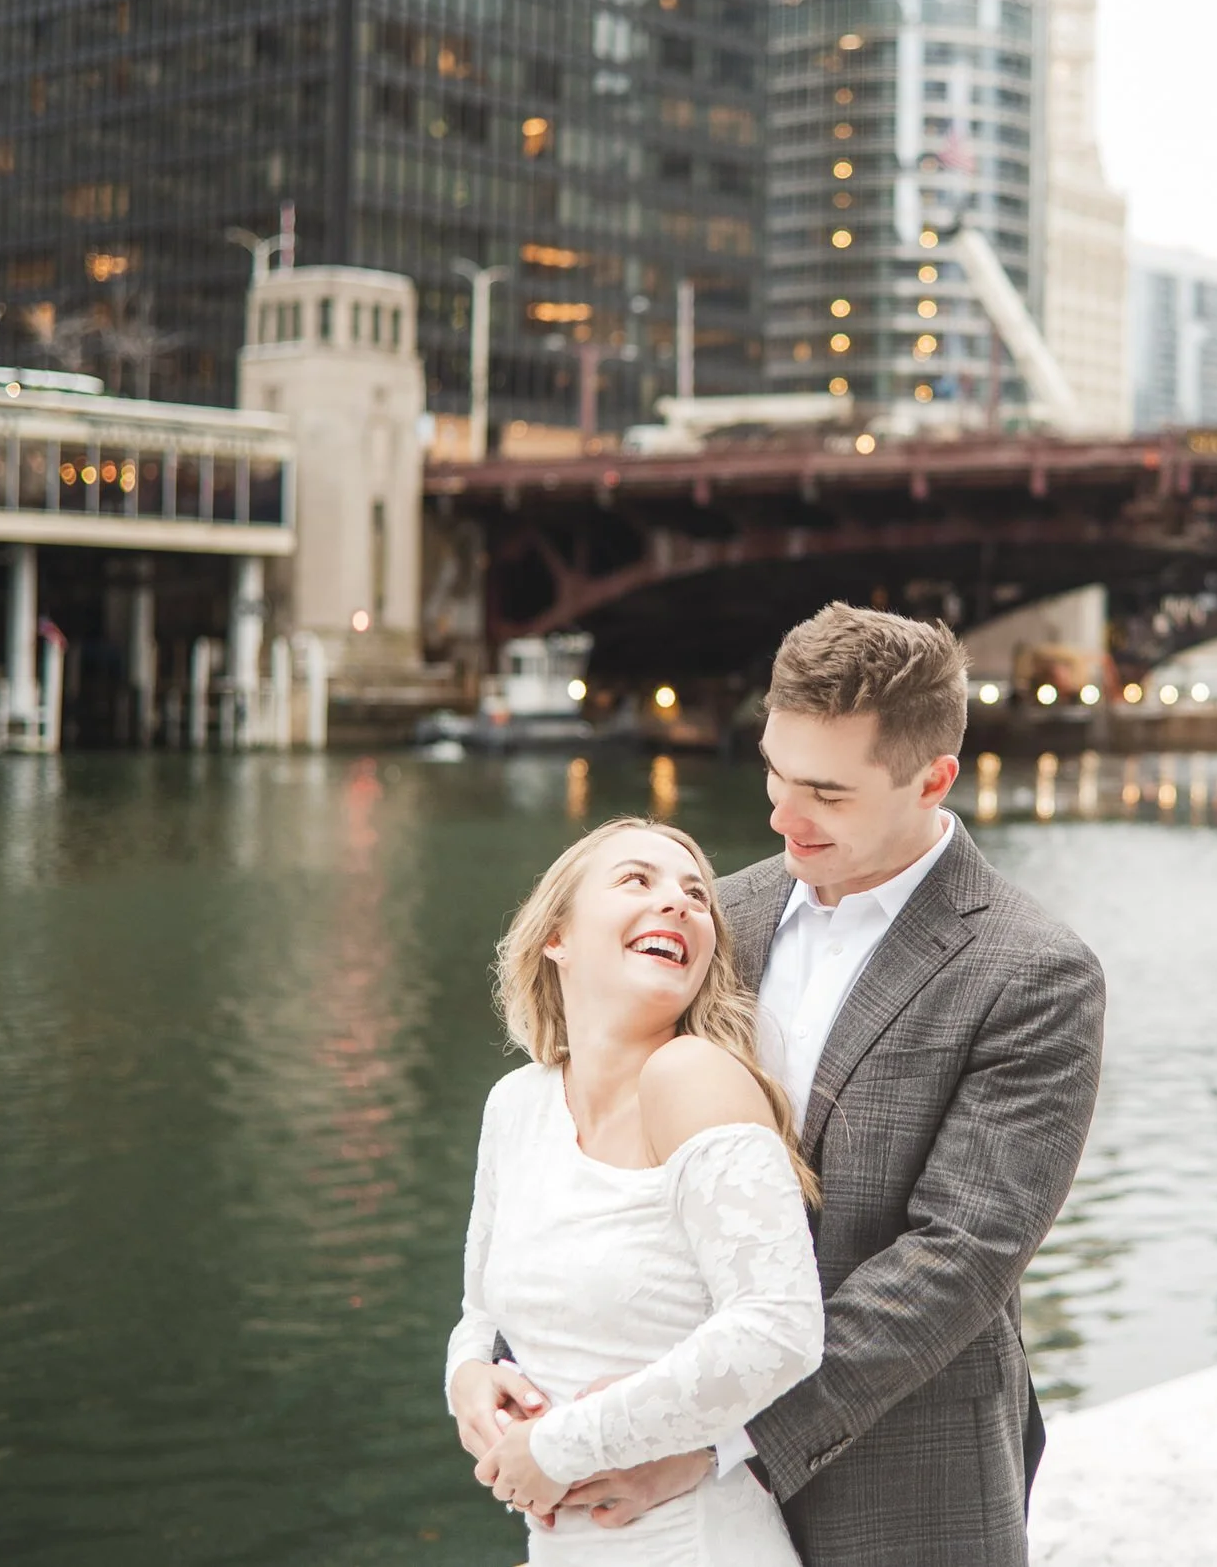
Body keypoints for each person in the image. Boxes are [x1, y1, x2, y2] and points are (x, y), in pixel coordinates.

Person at [540, 603, 1110, 1567]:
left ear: (934, 778)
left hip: (907, 1474)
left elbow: (958, 1258)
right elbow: (596, 1145)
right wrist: (498, 1364)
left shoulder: (1035, 972)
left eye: (827, 792)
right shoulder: (722, 913)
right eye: (773, 768)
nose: (780, 814)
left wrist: (717, 1438)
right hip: (659, 1475)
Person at [445, 818, 826, 1566]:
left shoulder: (695, 1076)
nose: (680, 903)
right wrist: (465, 1379)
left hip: (694, 1543)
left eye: (695, 895)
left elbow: (780, 1328)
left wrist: (557, 1446)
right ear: (557, 935)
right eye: (636, 881)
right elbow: (478, 1314)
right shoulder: (517, 1103)